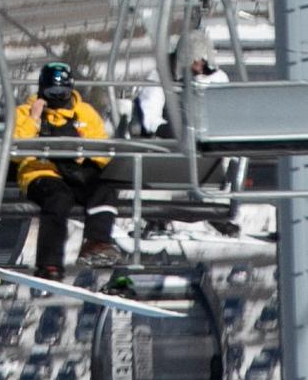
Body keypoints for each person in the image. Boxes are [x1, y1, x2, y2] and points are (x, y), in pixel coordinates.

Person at [15, 62, 119, 279]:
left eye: (62, 91)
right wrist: (34, 119)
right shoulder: (25, 112)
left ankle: (96, 242)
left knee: (103, 191)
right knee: (58, 199)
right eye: (52, 92)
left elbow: (102, 147)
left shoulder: (84, 113)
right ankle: (49, 265)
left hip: (76, 171)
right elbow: (16, 148)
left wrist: (88, 162)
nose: (57, 96)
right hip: (41, 171)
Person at [132, 29, 229, 138]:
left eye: (202, 62)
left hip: (210, 138)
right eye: (195, 62)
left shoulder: (217, 77)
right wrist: (168, 130)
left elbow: (226, 110)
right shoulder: (161, 77)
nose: (199, 68)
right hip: (173, 141)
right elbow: (150, 115)